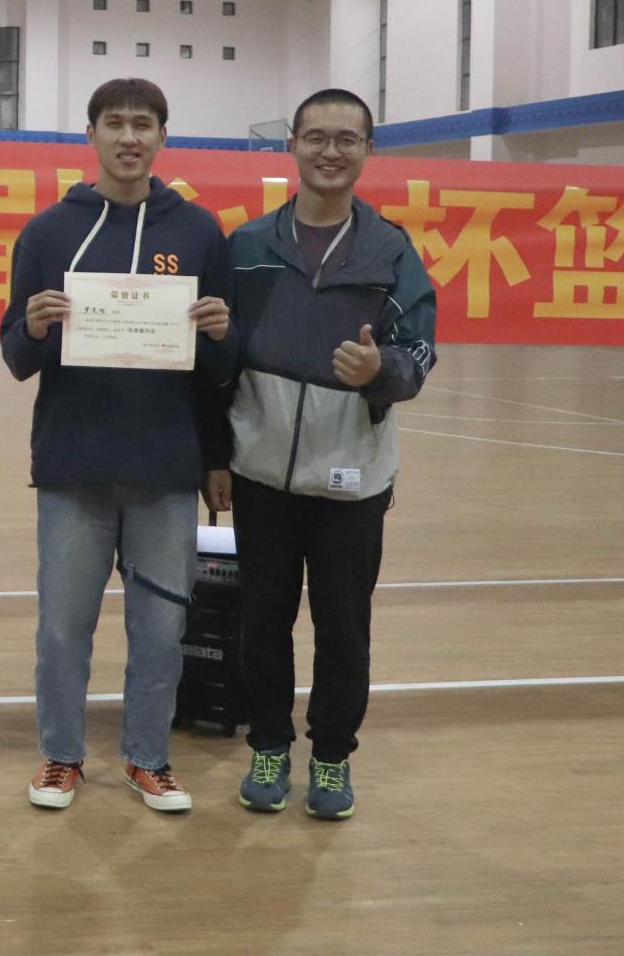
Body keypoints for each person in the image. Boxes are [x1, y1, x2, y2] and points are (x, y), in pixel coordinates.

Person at [0, 78, 234, 815]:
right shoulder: (47, 233)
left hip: (165, 468)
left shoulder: (198, 232)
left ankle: (148, 758)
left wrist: (223, 340)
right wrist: (35, 326)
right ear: (91, 134)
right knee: (62, 629)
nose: (128, 137)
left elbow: (221, 369)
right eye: (114, 123)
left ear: (163, 136)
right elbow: (16, 356)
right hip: (73, 467)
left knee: (161, 629)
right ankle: (61, 756)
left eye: (142, 124)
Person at [209, 87, 436, 821]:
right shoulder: (247, 247)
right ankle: (269, 746)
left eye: (346, 139)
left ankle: (332, 755)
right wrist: (215, 454)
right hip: (261, 471)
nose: (330, 151)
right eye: (316, 137)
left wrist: (381, 370)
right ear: (293, 146)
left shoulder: (390, 251)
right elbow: (219, 362)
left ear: (368, 150)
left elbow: (419, 354)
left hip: (352, 478)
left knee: (343, 626)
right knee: (262, 622)